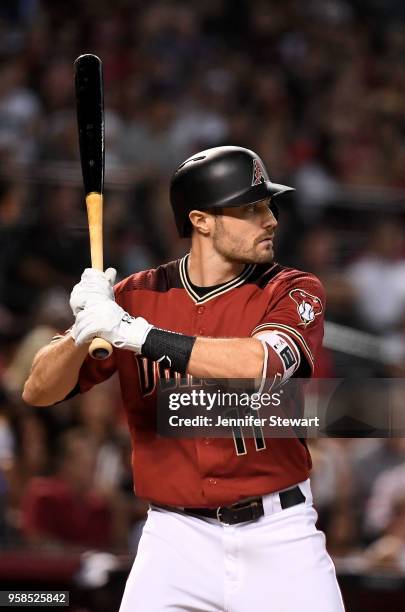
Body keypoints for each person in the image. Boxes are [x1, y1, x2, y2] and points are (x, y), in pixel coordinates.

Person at [23, 146, 344, 611]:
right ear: (201, 220)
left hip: (279, 534)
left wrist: (137, 334)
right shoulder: (133, 298)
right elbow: (38, 390)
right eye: (251, 208)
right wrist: (83, 329)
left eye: (268, 205)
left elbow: (264, 364)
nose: (270, 219)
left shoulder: (291, 287)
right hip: (175, 540)